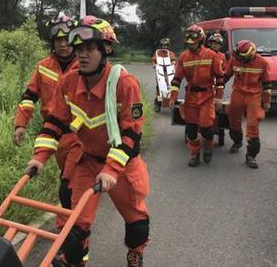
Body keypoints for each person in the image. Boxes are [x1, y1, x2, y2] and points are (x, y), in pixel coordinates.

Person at [25, 16, 150, 267]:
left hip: (122, 166)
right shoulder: (68, 82)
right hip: (88, 161)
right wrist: (39, 158)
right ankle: (75, 262)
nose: (82, 55)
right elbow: (54, 123)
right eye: (79, 49)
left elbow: (131, 134)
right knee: (75, 227)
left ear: (106, 50)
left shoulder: (124, 84)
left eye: (90, 49)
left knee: (136, 222)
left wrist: (111, 170)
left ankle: (135, 252)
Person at [13, 15, 80, 222]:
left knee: (68, 186)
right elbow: (29, 96)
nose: (62, 44)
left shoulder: (84, 66)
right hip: (51, 132)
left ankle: (71, 238)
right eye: (58, 40)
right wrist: (20, 124)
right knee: (69, 182)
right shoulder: (43, 66)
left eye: (67, 39)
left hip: (77, 135)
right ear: (52, 43)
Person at [168, 25, 225, 167]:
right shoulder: (183, 57)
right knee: (191, 130)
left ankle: (208, 146)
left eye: (194, 42)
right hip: (190, 96)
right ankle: (195, 154)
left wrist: (219, 96)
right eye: (189, 43)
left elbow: (219, 77)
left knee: (206, 127)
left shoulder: (211, 55)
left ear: (200, 40)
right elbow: (176, 79)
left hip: (207, 96)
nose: (191, 44)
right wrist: (173, 97)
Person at [224, 40, 271, 168]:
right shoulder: (234, 60)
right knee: (233, 118)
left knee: (253, 124)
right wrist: (216, 86)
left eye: (241, 57)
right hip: (238, 93)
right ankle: (237, 141)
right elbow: (226, 76)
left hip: (254, 96)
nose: (239, 59)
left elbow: (267, 84)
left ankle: (251, 156)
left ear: (251, 54)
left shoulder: (262, 63)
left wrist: (266, 100)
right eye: (237, 56)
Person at [207, 33, 227, 146]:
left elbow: (224, 70)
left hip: (218, 83)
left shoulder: (222, 56)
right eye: (214, 43)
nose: (216, 46)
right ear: (210, 43)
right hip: (206, 83)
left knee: (217, 109)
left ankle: (215, 130)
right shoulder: (205, 54)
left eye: (218, 44)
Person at [151, 38, 176, 112]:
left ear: (168, 46)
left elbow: (174, 60)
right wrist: (154, 65)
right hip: (160, 73)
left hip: (169, 72)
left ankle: (172, 101)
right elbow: (153, 60)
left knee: (171, 85)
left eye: (166, 46)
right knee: (160, 86)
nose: (164, 47)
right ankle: (157, 103)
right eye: (163, 46)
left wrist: (173, 62)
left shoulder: (170, 53)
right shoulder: (157, 53)